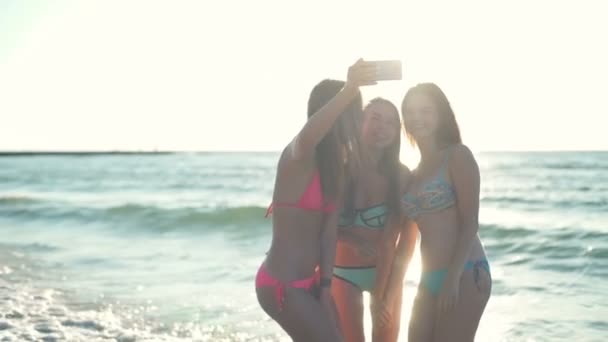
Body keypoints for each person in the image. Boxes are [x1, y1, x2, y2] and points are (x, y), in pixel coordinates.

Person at [255, 59, 377, 341]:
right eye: (354, 112)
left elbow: (327, 234)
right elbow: (311, 133)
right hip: (281, 285)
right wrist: (349, 89)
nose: (359, 120)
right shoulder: (298, 154)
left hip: (310, 284)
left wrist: (324, 290)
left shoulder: (334, 167)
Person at [400, 83, 492, 342]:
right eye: (410, 111)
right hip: (428, 277)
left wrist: (452, 278)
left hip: (464, 271)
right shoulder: (414, 173)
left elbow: (470, 223)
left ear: (440, 115)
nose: (417, 118)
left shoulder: (458, 156)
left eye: (425, 111)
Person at [332, 97, 417, 342]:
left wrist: (383, 297)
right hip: (342, 273)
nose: (382, 128)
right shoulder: (339, 169)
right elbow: (318, 224)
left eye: (391, 123)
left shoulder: (401, 176)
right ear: (359, 122)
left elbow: (396, 242)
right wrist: (353, 239)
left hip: (387, 274)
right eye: (375, 119)